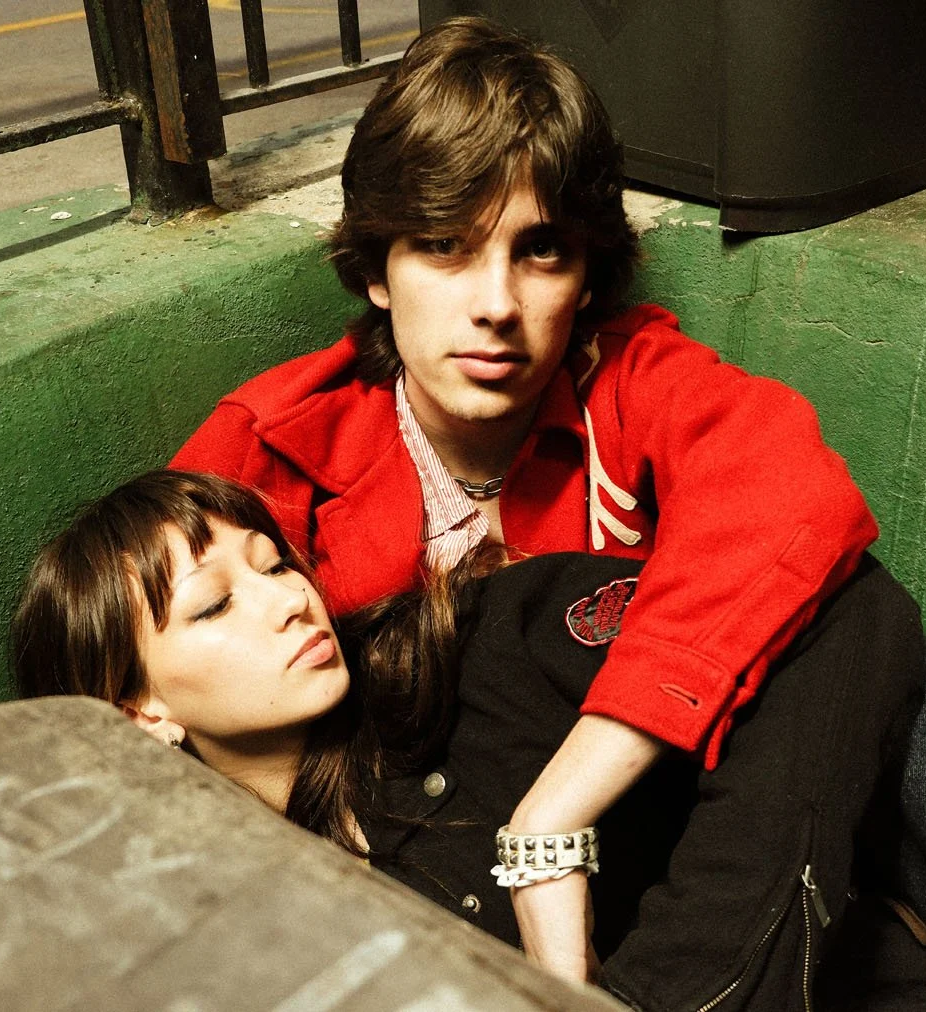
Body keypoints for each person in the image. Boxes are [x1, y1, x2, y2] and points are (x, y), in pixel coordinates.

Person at [170, 17, 878, 980]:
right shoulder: (276, 448)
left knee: (853, 614)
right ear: (377, 269)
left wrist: (553, 817)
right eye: (443, 246)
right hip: (404, 887)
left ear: (587, 277)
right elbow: (127, 677)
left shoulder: (628, 379)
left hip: (631, 855)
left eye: (541, 251)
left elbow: (795, 500)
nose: (496, 303)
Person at [9, 470, 926, 1011]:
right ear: (140, 712)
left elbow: (840, 609)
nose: (290, 599)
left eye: (274, 563)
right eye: (217, 604)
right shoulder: (212, 928)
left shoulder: (474, 648)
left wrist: (565, 832)